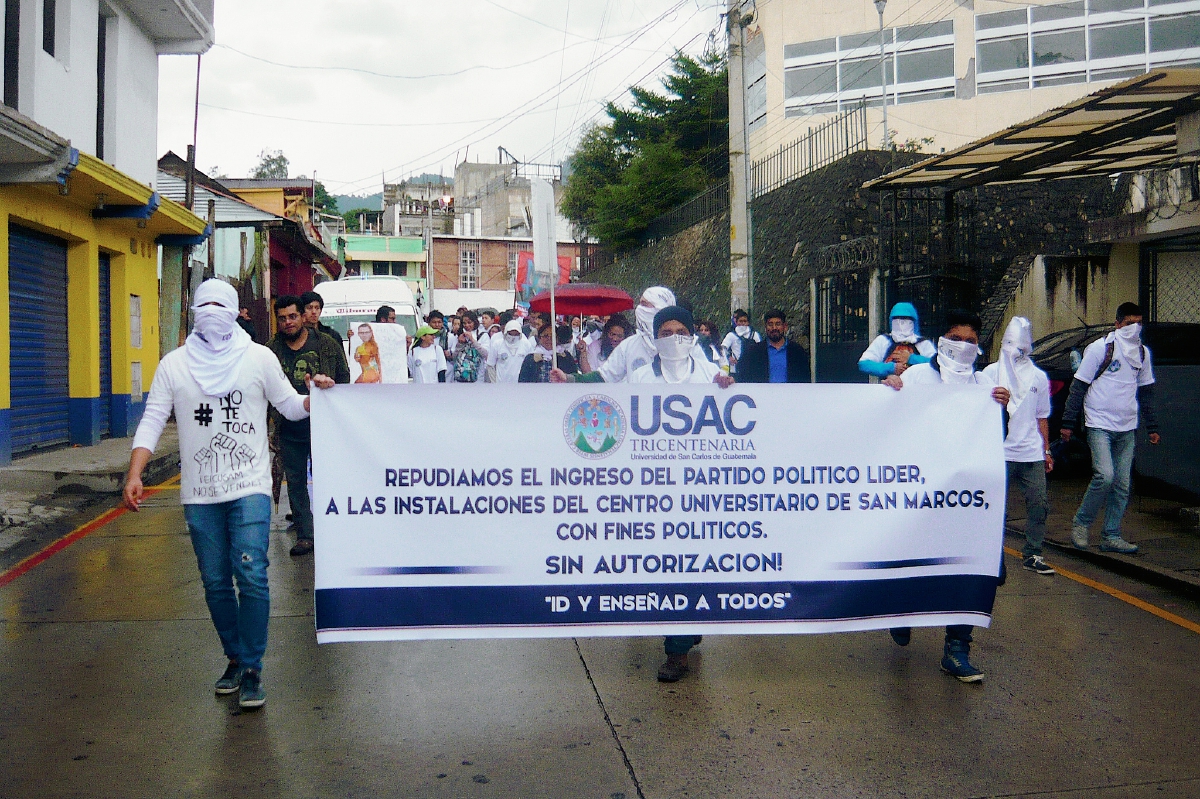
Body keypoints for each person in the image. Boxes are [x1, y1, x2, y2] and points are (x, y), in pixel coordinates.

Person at [123, 279, 336, 710]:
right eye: (205, 305)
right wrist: (135, 471)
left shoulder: (258, 358)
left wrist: (315, 397)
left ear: (237, 310)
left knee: (251, 571)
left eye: (221, 304)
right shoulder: (174, 365)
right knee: (216, 581)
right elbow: (152, 419)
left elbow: (289, 405)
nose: (212, 312)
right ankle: (234, 658)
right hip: (199, 491)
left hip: (249, 486)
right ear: (192, 311)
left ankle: (254, 667)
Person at [882, 309, 1011, 683]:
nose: (964, 346)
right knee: (913, 558)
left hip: (967, 497)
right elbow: (890, 423)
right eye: (957, 338)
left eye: (972, 341)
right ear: (941, 341)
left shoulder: (984, 384)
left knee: (973, 569)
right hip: (920, 491)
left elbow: (993, 440)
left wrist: (1000, 409)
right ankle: (901, 611)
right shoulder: (917, 377)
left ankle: (957, 649)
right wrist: (890, 391)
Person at [627, 306, 730, 682]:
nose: (674, 337)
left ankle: (679, 644)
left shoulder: (712, 375)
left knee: (696, 563)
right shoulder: (639, 378)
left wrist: (730, 388)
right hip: (655, 491)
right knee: (669, 566)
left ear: (693, 335)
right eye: (666, 331)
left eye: (680, 330)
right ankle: (679, 643)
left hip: (703, 490)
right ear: (655, 338)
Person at [1061, 302, 1160, 554]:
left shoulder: (1143, 354)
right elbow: (1078, 386)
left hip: (1127, 426)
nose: (1134, 329)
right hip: (1099, 423)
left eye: (1138, 323)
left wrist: (1152, 427)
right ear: (1117, 324)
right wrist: (1067, 423)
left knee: (1123, 483)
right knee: (1104, 476)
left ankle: (1111, 535)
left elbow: (1146, 393)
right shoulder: (1100, 348)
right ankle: (1081, 524)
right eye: (1128, 324)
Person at [267, 296, 351, 558]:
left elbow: (344, 378)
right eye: (282, 318)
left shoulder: (326, 344)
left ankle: (333, 530)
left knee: (329, 479)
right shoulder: (270, 351)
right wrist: (271, 423)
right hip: (289, 428)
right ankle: (306, 534)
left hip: (324, 427)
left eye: (292, 316)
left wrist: (329, 389)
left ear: (303, 317)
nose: (288, 322)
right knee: (295, 482)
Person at [981, 317, 1055, 575]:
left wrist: (1046, 450)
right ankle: (992, 554)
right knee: (994, 508)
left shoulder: (1039, 377)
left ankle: (1033, 553)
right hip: (998, 453)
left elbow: (1041, 416)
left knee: (1039, 503)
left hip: (1030, 452)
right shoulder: (990, 374)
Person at [552, 287, 705, 384]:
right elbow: (604, 377)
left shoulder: (689, 345)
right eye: (640, 304)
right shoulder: (630, 345)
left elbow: (710, 378)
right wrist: (570, 379)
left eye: (646, 305)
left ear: (661, 308)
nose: (639, 309)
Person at [859, 302, 936, 378]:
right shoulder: (882, 340)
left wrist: (911, 358)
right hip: (887, 388)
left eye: (906, 320)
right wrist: (891, 368)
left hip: (918, 387)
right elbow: (863, 364)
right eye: (896, 320)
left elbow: (937, 364)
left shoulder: (924, 343)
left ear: (914, 322)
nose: (901, 325)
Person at [736, 309, 810, 384]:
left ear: (785, 327)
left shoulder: (797, 352)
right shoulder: (753, 352)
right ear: (765, 327)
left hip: (790, 395)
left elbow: (805, 380)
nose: (774, 328)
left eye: (778, 324)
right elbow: (743, 377)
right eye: (770, 324)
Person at [487, 319, 532, 383]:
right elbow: (490, 365)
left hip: (521, 385)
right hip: (501, 385)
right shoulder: (497, 344)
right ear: (506, 332)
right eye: (510, 333)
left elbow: (530, 365)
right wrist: (494, 383)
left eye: (516, 334)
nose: (513, 336)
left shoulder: (526, 344)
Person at [721, 309, 760, 375]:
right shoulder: (731, 335)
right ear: (736, 322)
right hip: (735, 370)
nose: (743, 323)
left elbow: (760, 348)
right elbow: (722, 348)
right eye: (740, 321)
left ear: (748, 322)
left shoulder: (754, 335)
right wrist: (728, 357)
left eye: (745, 321)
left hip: (752, 368)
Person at [451, 319, 485, 383]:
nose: (467, 325)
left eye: (469, 322)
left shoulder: (482, 335)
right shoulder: (458, 336)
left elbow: (485, 354)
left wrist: (472, 340)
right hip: (460, 377)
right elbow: (453, 357)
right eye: (464, 323)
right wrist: (460, 344)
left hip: (477, 377)